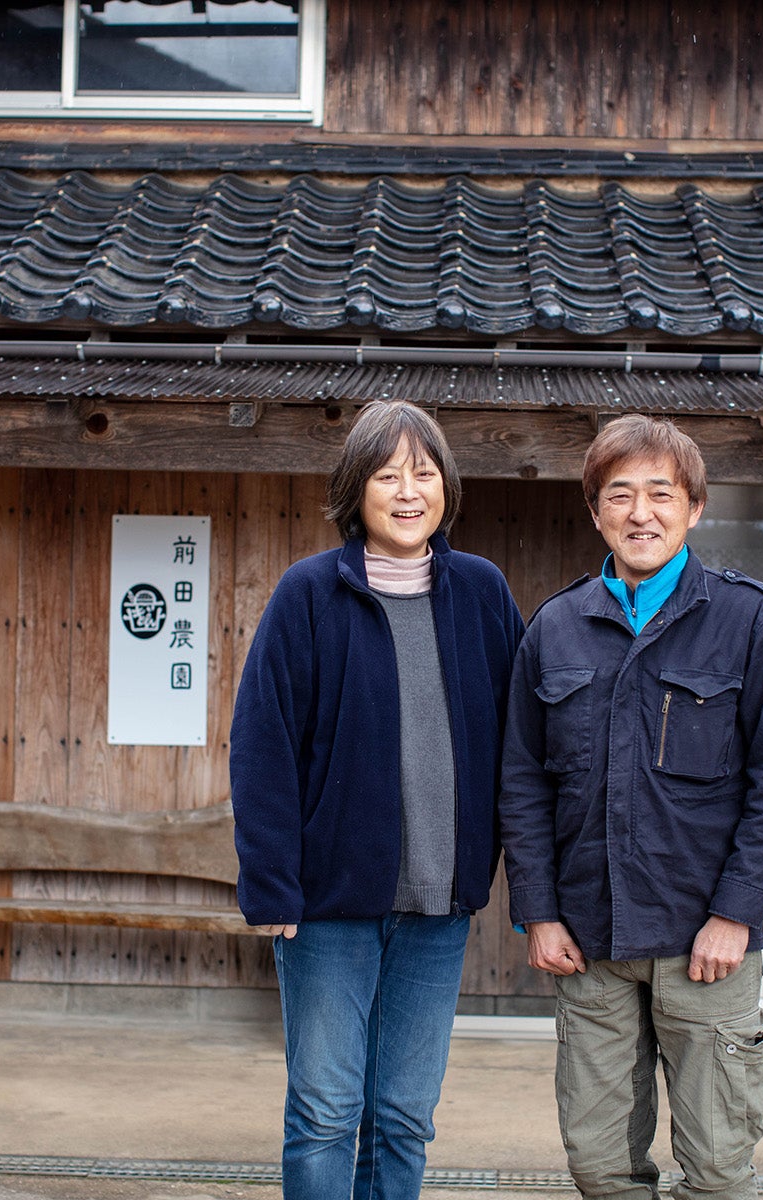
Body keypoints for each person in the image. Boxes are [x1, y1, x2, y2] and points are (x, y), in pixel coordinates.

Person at [499, 414, 763, 1200]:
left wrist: (736, 912)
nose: (642, 513)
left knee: (715, 1169)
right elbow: (523, 783)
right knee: (600, 1167)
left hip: (704, 943)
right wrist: (538, 912)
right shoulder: (555, 627)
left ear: (694, 507)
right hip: (590, 940)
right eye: (620, 495)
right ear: (595, 511)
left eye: (661, 494)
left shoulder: (749, 620)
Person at [231, 400, 525, 1200]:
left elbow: (523, 744)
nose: (407, 491)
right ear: (354, 490)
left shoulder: (481, 593)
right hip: (328, 905)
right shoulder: (309, 595)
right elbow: (261, 744)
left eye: (423, 473)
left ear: (446, 488)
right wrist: (270, 884)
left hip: (438, 903)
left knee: (402, 1114)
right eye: (387, 474)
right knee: (327, 1108)